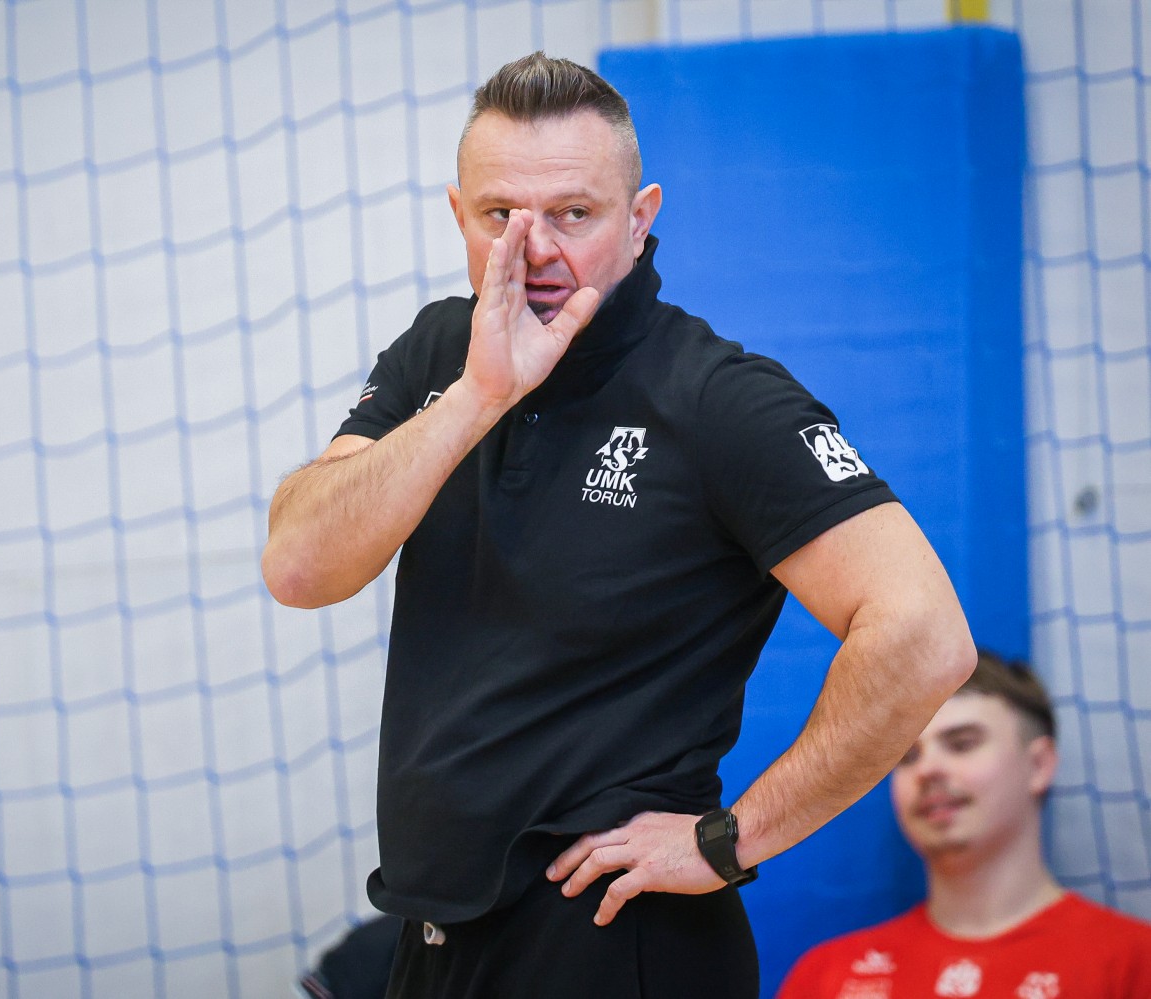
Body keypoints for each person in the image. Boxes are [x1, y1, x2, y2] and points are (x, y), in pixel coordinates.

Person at [262, 51, 976, 998]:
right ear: (457, 216)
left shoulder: (717, 397)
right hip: (435, 935)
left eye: (573, 213)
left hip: (611, 939)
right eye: (500, 216)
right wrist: (478, 396)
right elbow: (299, 566)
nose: (534, 249)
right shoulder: (439, 353)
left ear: (639, 219)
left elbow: (926, 635)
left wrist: (730, 840)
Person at [777, 651, 1151, 998]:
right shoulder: (826, 975)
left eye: (962, 744)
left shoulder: (1133, 963)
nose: (927, 769)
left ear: (1039, 765)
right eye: (907, 756)